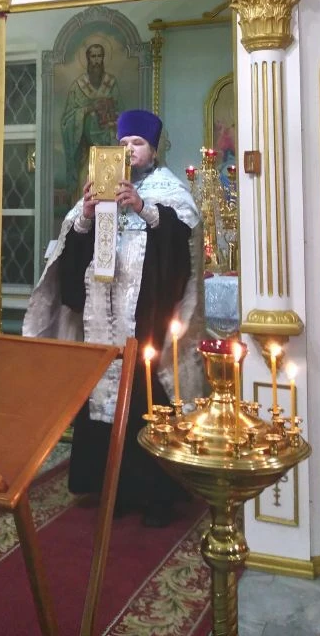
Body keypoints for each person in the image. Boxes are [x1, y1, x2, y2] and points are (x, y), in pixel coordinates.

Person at [24, 109, 203, 526]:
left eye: (137, 144)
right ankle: (109, 489)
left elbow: (181, 248)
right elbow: (71, 258)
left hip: (146, 316)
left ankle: (155, 496)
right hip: (100, 316)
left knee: (145, 397)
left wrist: (144, 208)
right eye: (123, 144)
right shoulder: (99, 189)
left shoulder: (169, 191)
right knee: (102, 392)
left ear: (153, 149)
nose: (130, 151)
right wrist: (85, 217)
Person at [60, 44, 121, 200]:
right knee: (84, 183)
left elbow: (120, 113)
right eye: (93, 56)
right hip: (86, 151)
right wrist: (87, 110)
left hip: (109, 150)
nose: (96, 61)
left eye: (99, 56)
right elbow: (67, 120)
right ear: (88, 59)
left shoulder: (111, 83)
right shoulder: (78, 86)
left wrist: (110, 118)